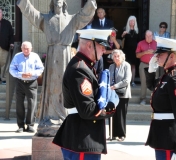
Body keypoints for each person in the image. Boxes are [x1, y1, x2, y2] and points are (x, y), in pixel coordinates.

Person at [17, 0, 97, 136]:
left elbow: (85, 15)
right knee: (52, 87)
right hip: (53, 57)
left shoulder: (72, 19)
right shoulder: (46, 18)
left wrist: (91, 2)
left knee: (65, 86)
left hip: (66, 56)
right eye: (56, 1)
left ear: (64, 3)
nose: (58, 2)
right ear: (53, 3)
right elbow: (33, 14)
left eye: (61, 1)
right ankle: (50, 116)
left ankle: (65, 116)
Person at [53, 29, 119, 160]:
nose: (104, 51)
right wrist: (112, 105)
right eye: (101, 47)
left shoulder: (85, 66)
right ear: (90, 45)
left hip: (83, 136)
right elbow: (88, 110)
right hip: (82, 137)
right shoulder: (80, 70)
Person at [145, 37, 176, 160]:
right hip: (162, 137)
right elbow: (152, 86)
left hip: (170, 140)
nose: (157, 56)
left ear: (172, 56)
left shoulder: (175, 78)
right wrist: (151, 70)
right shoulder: (167, 75)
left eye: (160, 54)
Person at [9, 41, 44, 133]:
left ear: (31, 48)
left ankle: (30, 125)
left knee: (32, 104)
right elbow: (11, 69)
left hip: (32, 82)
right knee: (19, 104)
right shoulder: (17, 56)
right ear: (21, 48)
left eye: (27, 48)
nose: (26, 50)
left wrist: (31, 74)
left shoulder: (35, 56)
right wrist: (20, 74)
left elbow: (41, 68)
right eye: (24, 48)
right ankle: (20, 125)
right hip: (20, 82)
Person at [109, 49, 132, 142]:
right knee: (112, 113)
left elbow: (127, 80)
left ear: (122, 56)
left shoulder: (126, 65)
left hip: (123, 94)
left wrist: (115, 86)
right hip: (113, 94)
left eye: (118, 56)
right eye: (114, 56)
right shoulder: (111, 66)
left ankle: (122, 134)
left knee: (121, 115)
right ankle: (113, 134)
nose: (116, 58)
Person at [136, 30, 157, 105]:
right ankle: (143, 99)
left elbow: (161, 54)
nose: (148, 37)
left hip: (155, 64)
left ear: (152, 36)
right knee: (143, 82)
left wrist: (154, 52)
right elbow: (137, 55)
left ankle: (155, 99)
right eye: (147, 36)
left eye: (150, 36)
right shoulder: (140, 43)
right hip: (144, 64)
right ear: (145, 36)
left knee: (155, 82)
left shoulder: (156, 43)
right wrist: (145, 52)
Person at [121, 15, 139, 87]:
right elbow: (120, 38)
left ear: (135, 22)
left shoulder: (137, 31)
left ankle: (133, 81)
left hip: (134, 51)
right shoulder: (125, 29)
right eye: (130, 21)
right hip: (126, 50)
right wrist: (123, 34)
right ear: (128, 22)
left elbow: (139, 41)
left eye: (133, 21)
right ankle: (126, 81)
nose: (132, 22)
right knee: (126, 66)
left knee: (133, 66)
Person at [0, 8, 14, 84]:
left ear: (2, 13)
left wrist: (11, 43)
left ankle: (3, 79)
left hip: (4, 46)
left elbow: (11, 35)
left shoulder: (7, 23)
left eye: (0, 12)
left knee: (4, 63)